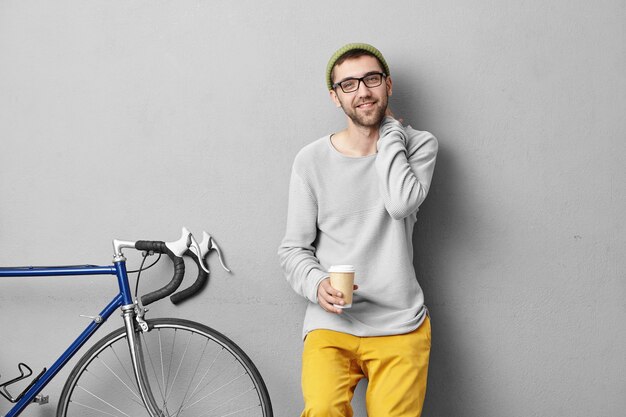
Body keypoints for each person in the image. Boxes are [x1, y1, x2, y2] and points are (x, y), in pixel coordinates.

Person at [278, 43, 438, 417]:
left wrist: (392, 134)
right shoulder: (311, 160)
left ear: (388, 85)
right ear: (335, 98)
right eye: (348, 84)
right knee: (322, 410)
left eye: (371, 79)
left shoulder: (420, 146)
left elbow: (400, 204)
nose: (363, 91)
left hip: (401, 323)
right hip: (332, 324)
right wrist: (316, 283)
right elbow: (293, 249)